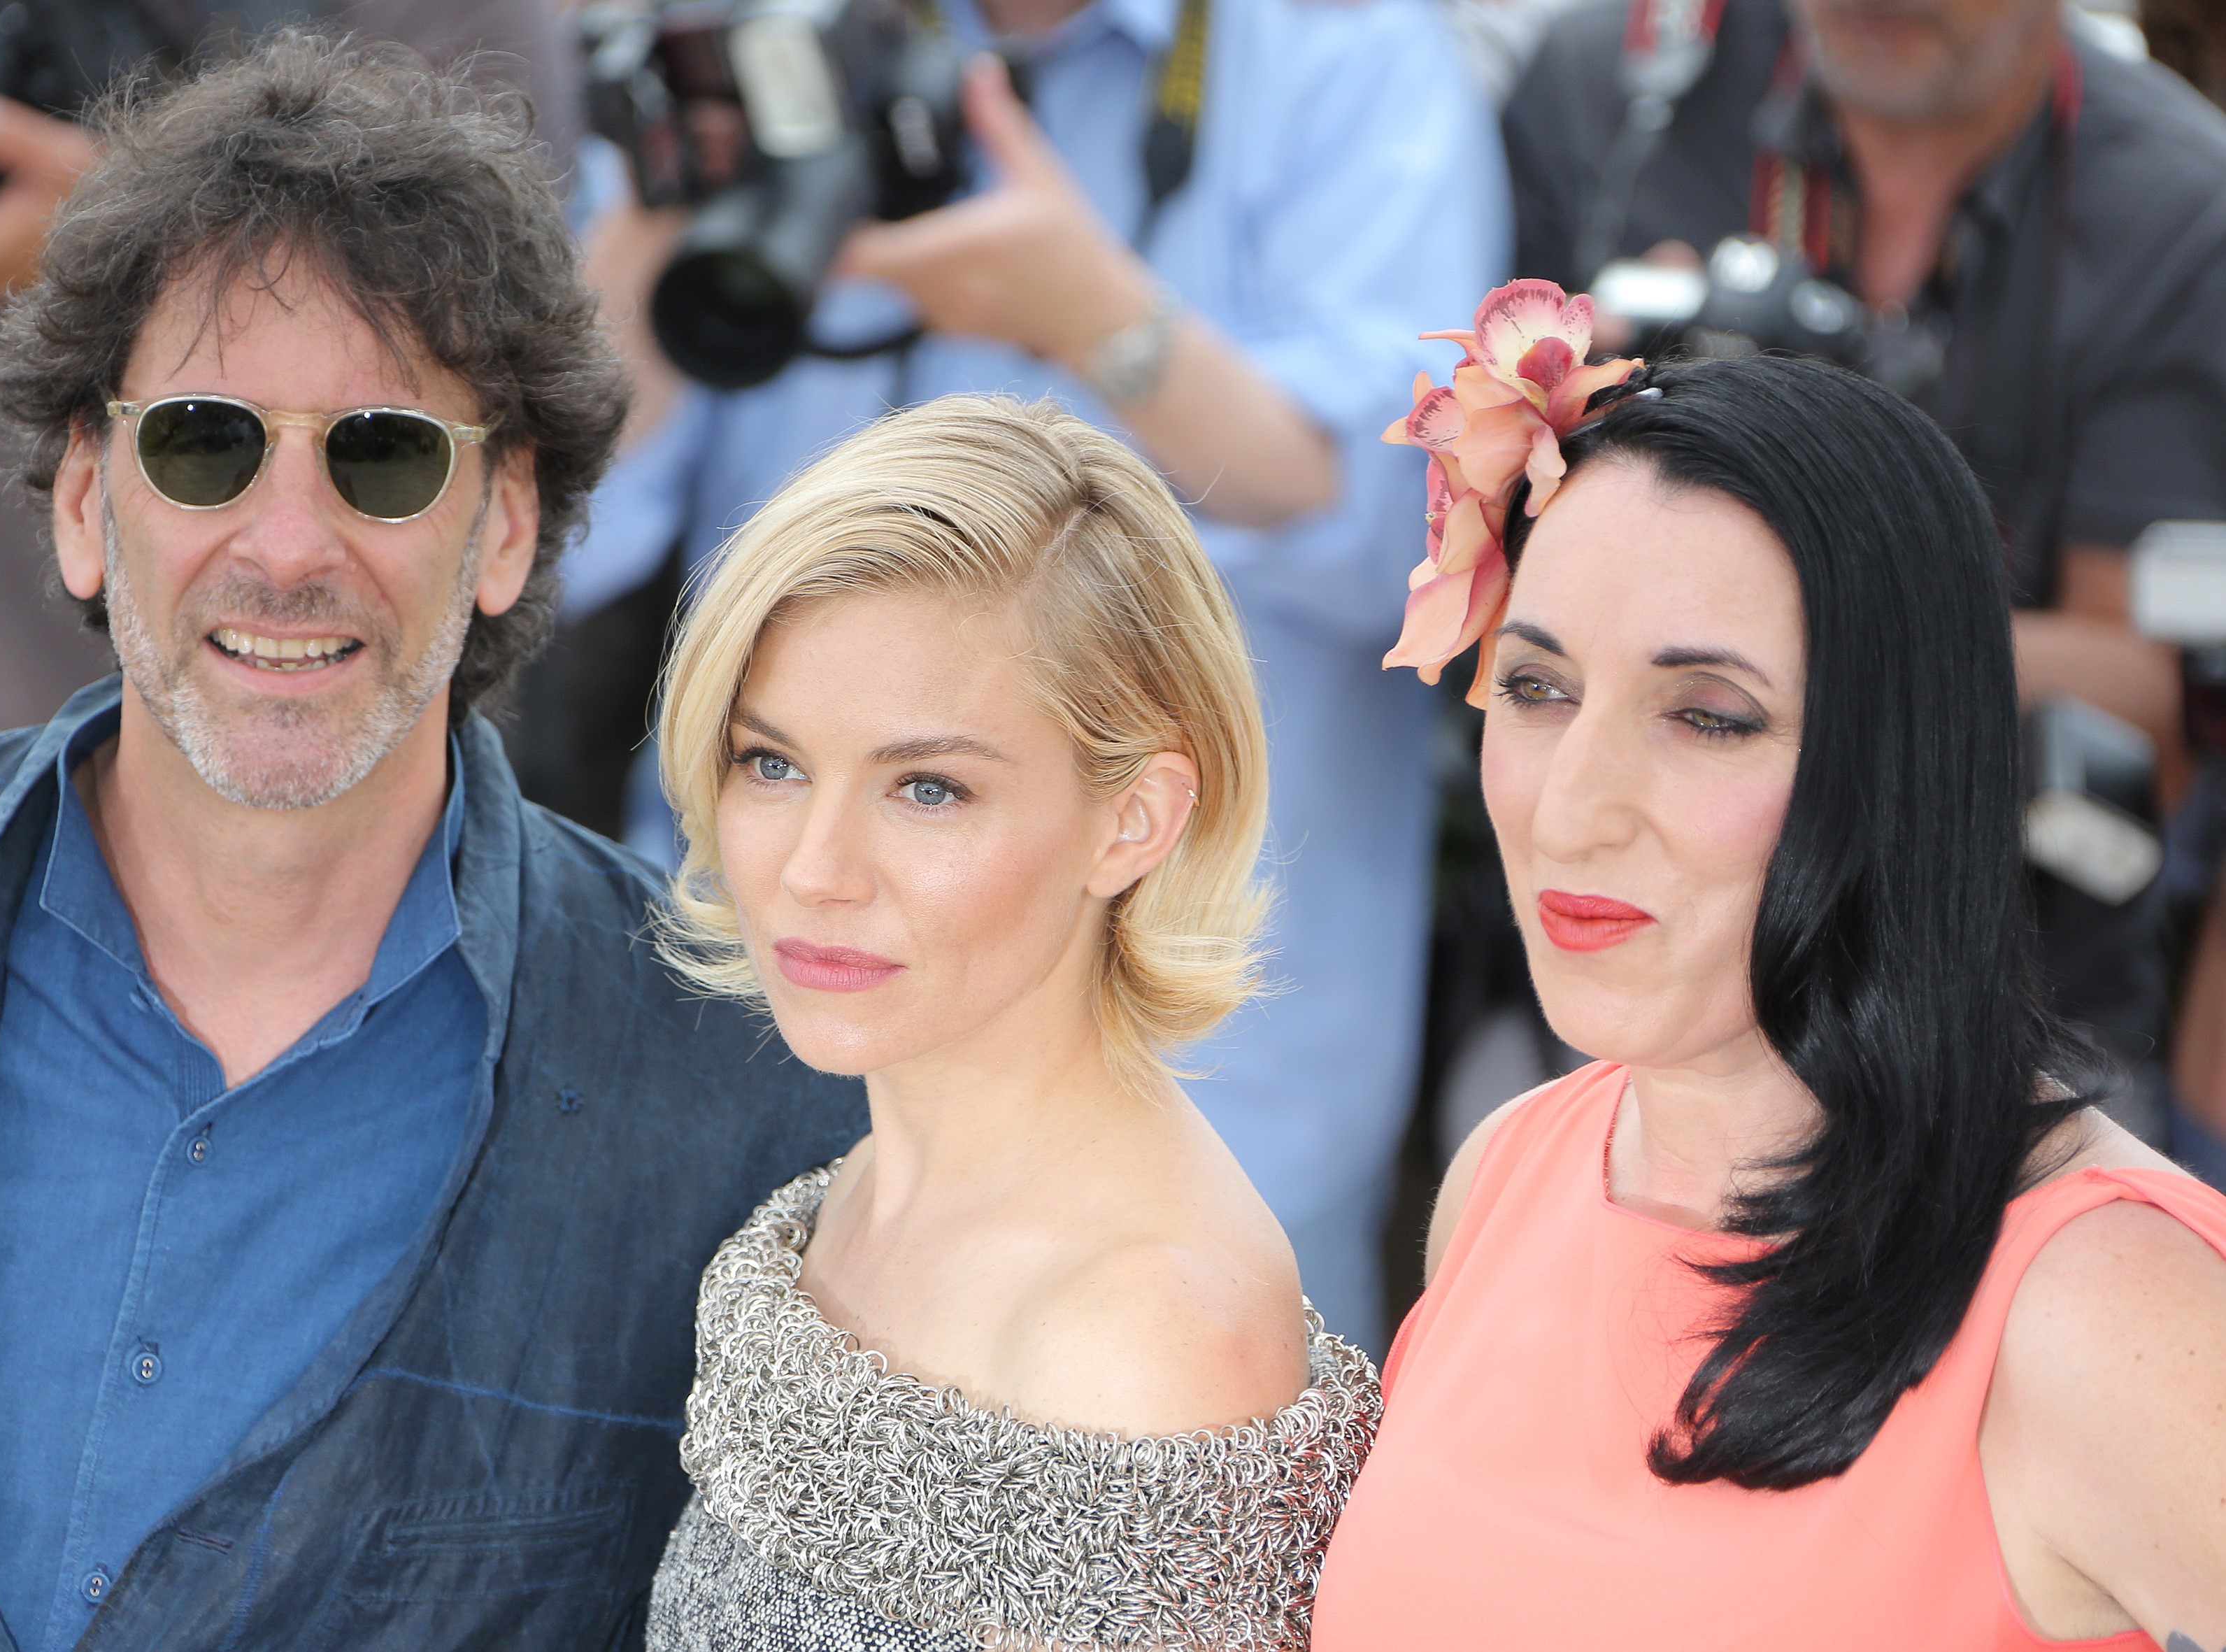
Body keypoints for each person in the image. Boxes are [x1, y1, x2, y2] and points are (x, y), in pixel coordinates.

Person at [0, 36, 862, 1652]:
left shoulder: (752, 1096)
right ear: (84, 499)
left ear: (503, 525)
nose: (286, 545)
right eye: (204, 442)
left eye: (381, 453)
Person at [566, 0, 1508, 1350]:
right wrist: (662, 224)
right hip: (755, 1023)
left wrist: (1096, 320)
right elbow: (557, 537)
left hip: (1198, 1083)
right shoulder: (778, 31)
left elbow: (1410, 545)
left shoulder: (1342, 52)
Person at [1308, 322, 2226, 1642]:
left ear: (1899, 761)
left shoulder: (2100, 1306)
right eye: (1535, 686)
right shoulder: (1509, 1169)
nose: (1570, 809)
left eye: (1706, 715)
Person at [638, 395, 1381, 1652]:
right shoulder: (866, 1186)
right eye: (771, 763)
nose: (814, 868)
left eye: (926, 788)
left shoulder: (1139, 1340)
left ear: (1132, 820)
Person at [1497, 0, 2226, 1141]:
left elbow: (2144, 715)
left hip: (2004, 995)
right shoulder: (1620, 88)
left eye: (1711, 710)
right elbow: (1453, 535)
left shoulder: (2173, 209)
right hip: (1620, 976)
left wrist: (1781, 623)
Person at [0, 0, 578, 774]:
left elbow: (482, 387)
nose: (286, 548)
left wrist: (107, 255)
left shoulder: (447, 18)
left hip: (306, 810)